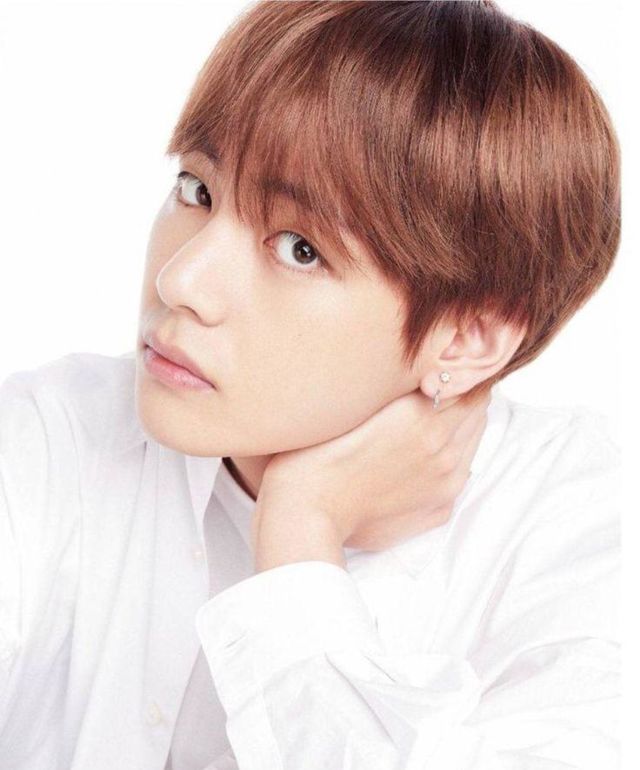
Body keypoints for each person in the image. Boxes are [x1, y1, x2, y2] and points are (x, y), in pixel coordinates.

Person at [0, 1, 621, 768]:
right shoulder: (51, 436)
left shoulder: (581, 535)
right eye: (197, 190)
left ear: (469, 338)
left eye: (298, 248)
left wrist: (301, 530)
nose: (180, 280)